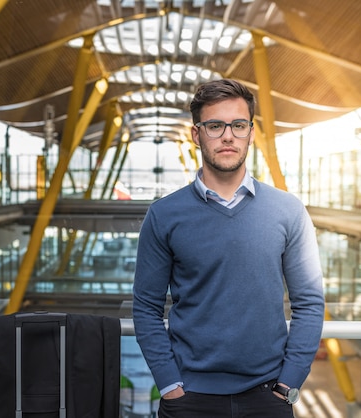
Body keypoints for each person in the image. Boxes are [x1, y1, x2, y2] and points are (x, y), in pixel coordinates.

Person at [132, 78, 325, 418]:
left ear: (251, 133)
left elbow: (309, 302)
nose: (227, 136)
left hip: (268, 396)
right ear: (197, 134)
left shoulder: (287, 210)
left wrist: (289, 383)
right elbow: (146, 307)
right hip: (189, 399)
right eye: (215, 125)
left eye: (238, 125)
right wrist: (169, 384)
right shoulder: (164, 215)